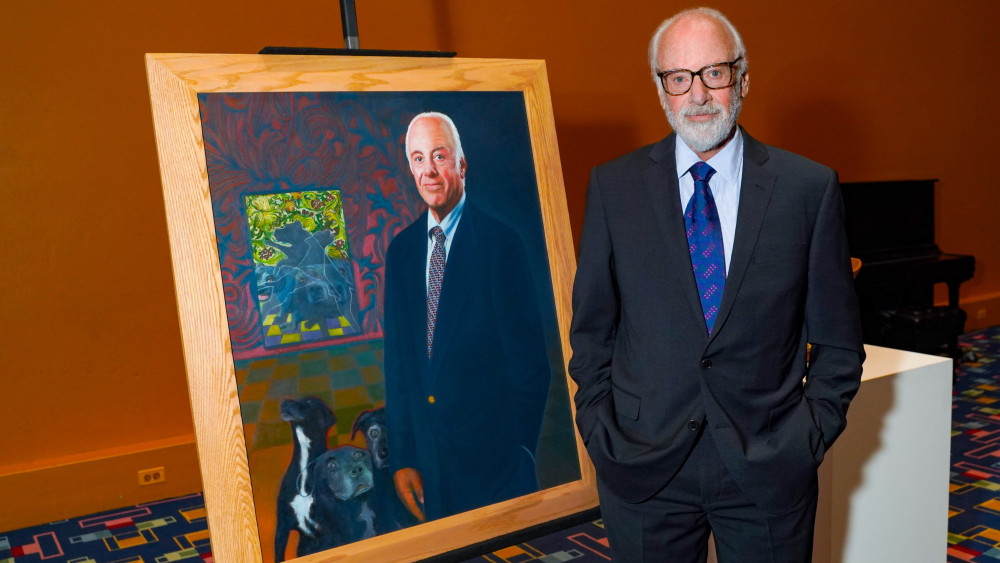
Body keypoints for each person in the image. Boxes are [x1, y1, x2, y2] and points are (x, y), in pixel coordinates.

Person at [569, 8, 864, 562]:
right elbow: (591, 332)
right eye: (678, 78)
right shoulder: (614, 188)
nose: (697, 94)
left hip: (767, 468)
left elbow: (839, 344)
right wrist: (600, 429)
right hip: (642, 467)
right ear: (661, 90)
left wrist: (806, 439)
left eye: (715, 73)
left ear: (743, 80)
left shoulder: (808, 189)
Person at [382, 111, 551, 522]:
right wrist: (403, 456)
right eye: (419, 159)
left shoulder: (500, 244)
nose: (429, 171)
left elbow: (531, 367)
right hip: (428, 466)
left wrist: (522, 452)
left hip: (495, 464)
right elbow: (400, 366)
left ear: (461, 163)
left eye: (439, 156)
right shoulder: (401, 252)